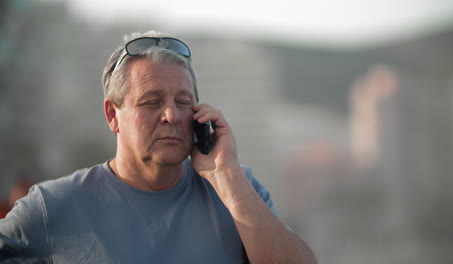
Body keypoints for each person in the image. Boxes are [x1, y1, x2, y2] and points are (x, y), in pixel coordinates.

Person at [0, 31, 317, 263]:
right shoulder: (53, 205)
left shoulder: (239, 192)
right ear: (113, 115)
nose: (172, 115)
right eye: (152, 102)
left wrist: (229, 180)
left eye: (183, 102)